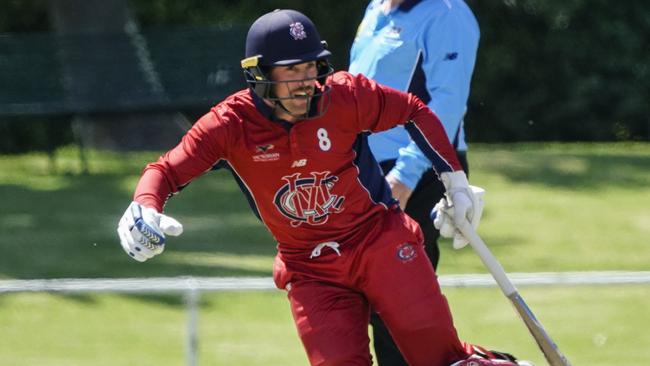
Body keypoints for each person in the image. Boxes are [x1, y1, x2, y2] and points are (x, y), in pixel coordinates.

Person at [117, 9, 526, 366]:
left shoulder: (344, 96)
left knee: (438, 360)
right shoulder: (229, 125)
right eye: (292, 70)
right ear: (259, 75)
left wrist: (454, 182)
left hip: (377, 240)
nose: (306, 81)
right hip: (309, 267)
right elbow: (165, 170)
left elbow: (414, 112)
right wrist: (144, 205)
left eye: (312, 67)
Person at [349, 1, 480, 363]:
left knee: (400, 304)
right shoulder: (378, 6)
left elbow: (448, 102)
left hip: (418, 169)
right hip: (364, 165)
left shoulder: (448, 13)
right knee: (365, 297)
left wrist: (404, 176)